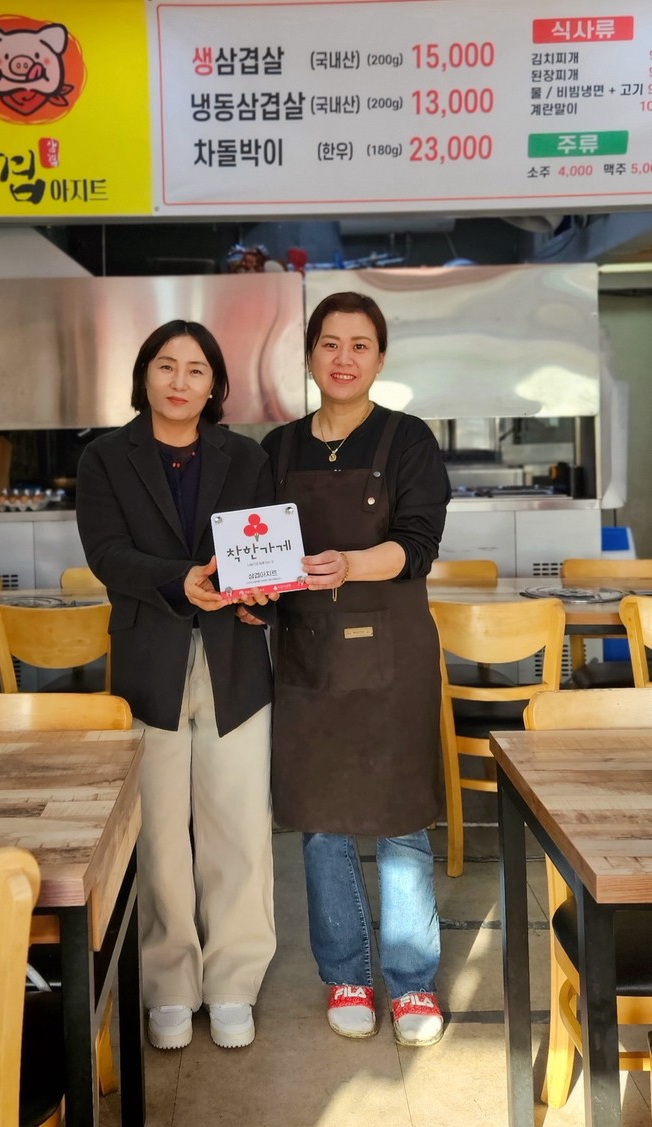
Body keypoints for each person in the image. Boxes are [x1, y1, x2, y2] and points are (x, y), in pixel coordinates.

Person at [76, 320, 277, 1051]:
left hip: (234, 659)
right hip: (147, 662)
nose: (180, 381)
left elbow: (264, 548)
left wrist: (261, 596)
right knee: (157, 832)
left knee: (238, 828)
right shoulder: (105, 456)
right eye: (166, 366)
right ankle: (167, 983)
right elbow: (106, 553)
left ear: (215, 385)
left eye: (196, 370)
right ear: (144, 376)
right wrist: (177, 580)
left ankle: (233, 982)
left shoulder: (246, 456)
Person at [261, 291, 451, 1048]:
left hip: (394, 650)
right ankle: (345, 972)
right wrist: (250, 592)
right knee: (321, 822)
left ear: (379, 357)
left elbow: (418, 543)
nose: (344, 358)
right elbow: (258, 549)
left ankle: (411, 981)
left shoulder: (408, 439)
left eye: (360, 344)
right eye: (330, 344)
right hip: (308, 651)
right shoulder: (276, 448)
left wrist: (348, 563)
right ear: (310, 355)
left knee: (400, 817)